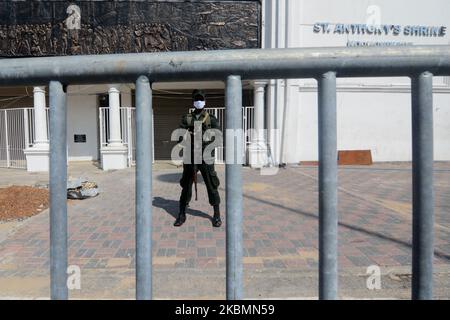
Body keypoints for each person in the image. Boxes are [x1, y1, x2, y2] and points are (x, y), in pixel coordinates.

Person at [174, 89, 222, 227]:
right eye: (196, 99)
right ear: (193, 102)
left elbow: (218, 137)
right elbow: (179, 137)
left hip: (206, 156)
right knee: (186, 186)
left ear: (205, 101)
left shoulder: (211, 119)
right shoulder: (187, 118)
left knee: (211, 185)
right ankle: (181, 213)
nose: (199, 102)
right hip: (190, 156)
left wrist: (205, 142)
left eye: (201, 99)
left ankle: (217, 214)